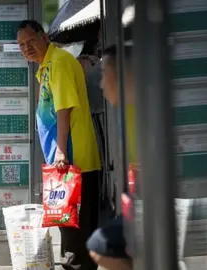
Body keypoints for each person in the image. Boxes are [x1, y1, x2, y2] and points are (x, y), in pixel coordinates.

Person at [16, 20, 101, 270]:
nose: (27, 47)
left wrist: (62, 151)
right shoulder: (46, 66)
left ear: (44, 37)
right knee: (67, 222)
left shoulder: (60, 62)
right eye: (22, 45)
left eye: (31, 41)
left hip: (73, 160)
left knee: (75, 228)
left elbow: (64, 108)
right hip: (63, 160)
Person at [86, 44, 136, 270]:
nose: (101, 83)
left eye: (105, 74)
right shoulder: (127, 111)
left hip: (155, 209)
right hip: (139, 206)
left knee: (99, 244)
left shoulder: (142, 112)